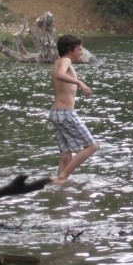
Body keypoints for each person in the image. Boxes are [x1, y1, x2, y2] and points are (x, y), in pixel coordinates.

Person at [50, 34, 98, 184]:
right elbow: (59, 74)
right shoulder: (64, 60)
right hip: (65, 113)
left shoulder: (62, 61)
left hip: (57, 113)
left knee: (66, 154)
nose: (81, 52)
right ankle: (63, 177)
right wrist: (80, 83)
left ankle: (59, 185)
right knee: (91, 146)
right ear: (70, 50)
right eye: (79, 49)